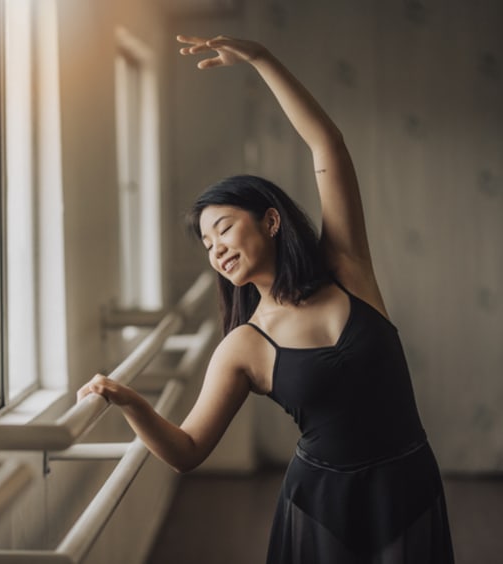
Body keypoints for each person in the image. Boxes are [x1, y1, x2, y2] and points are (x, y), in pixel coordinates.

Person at [78, 35, 454, 563]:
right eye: (207, 244)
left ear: (271, 220)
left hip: (409, 487)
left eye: (224, 229)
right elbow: (188, 451)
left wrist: (260, 60)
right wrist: (129, 401)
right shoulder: (243, 346)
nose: (216, 250)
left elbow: (328, 146)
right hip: (322, 509)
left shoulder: (348, 270)